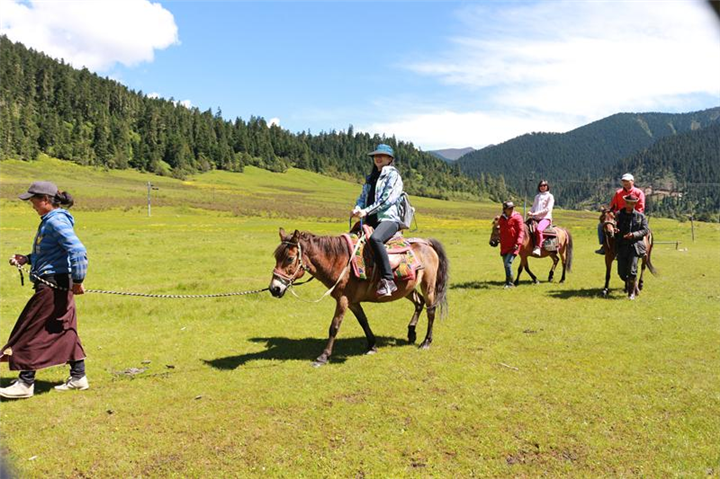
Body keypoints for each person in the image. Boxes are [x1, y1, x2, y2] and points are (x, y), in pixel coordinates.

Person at [0, 181, 89, 399]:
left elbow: (77, 250)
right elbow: (51, 253)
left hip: (53, 285)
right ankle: (78, 377)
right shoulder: (50, 220)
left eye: (33, 201)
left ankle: (25, 382)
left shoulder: (56, 221)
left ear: (46, 200)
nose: (31, 205)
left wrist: (78, 280)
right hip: (56, 281)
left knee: (31, 328)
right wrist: (28, 259)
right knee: (64, 328)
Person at [351, 144, 404, 297]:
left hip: (389, 219)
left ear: (390, 159)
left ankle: (388, 280)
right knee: (351, 239)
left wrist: (366, 211)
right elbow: (362, 198)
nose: (378, 158)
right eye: (376, 156)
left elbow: (387, 199)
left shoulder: (393, 176)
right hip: (370, 220)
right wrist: (357, 208)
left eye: (382, 156)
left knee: (375, 239)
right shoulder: (371, 178)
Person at [596, 173, 645, 254]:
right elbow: (613, 206)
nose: (625, 183)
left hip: (634, 217)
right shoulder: (618, 193)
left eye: (627, 181)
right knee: (601, 225)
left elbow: (640, 208)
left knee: (642, 230)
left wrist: (633, 216)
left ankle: (641, 247)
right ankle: (604, 246)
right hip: (619, 217)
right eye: (623, 181)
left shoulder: (639, 193)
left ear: (632, 181)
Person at [615, 195, 650, 300]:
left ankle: (631, 293)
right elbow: (613, 226)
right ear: (625, 202)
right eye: (628, 202)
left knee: (632, 270)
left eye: (633, 203)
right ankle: (631, 284)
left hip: (634, 246)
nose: (630, 205)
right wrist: (615, 230)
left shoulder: (640, 216)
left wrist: (634, 235)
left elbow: (645, 230)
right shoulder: (618, 214)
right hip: (621, 246)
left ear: (635, 204)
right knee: (621, 272)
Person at [497, 201, 525, 288]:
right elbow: (500, 229)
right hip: (504, 245)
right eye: (509, 208)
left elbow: (521, 231)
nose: (511, 209)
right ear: (505, 209)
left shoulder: (517, 217)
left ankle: (510, 284)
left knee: (507, 263)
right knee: (505, 265)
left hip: (514, 245)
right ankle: (507, 281)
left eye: (512, 208)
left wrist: (518, 242)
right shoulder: (502, 218)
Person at [527, 180, 554, 257]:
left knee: (539, 230)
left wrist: (535, 213)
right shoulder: (537, 196)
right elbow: (534, 207)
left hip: (545, 218)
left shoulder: (550, 196)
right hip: (535, 218)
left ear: (547, 186)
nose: (543, 187)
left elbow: (548, 209)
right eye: (541, 185)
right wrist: (530, 212)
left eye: (544, 185)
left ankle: (538, 247)